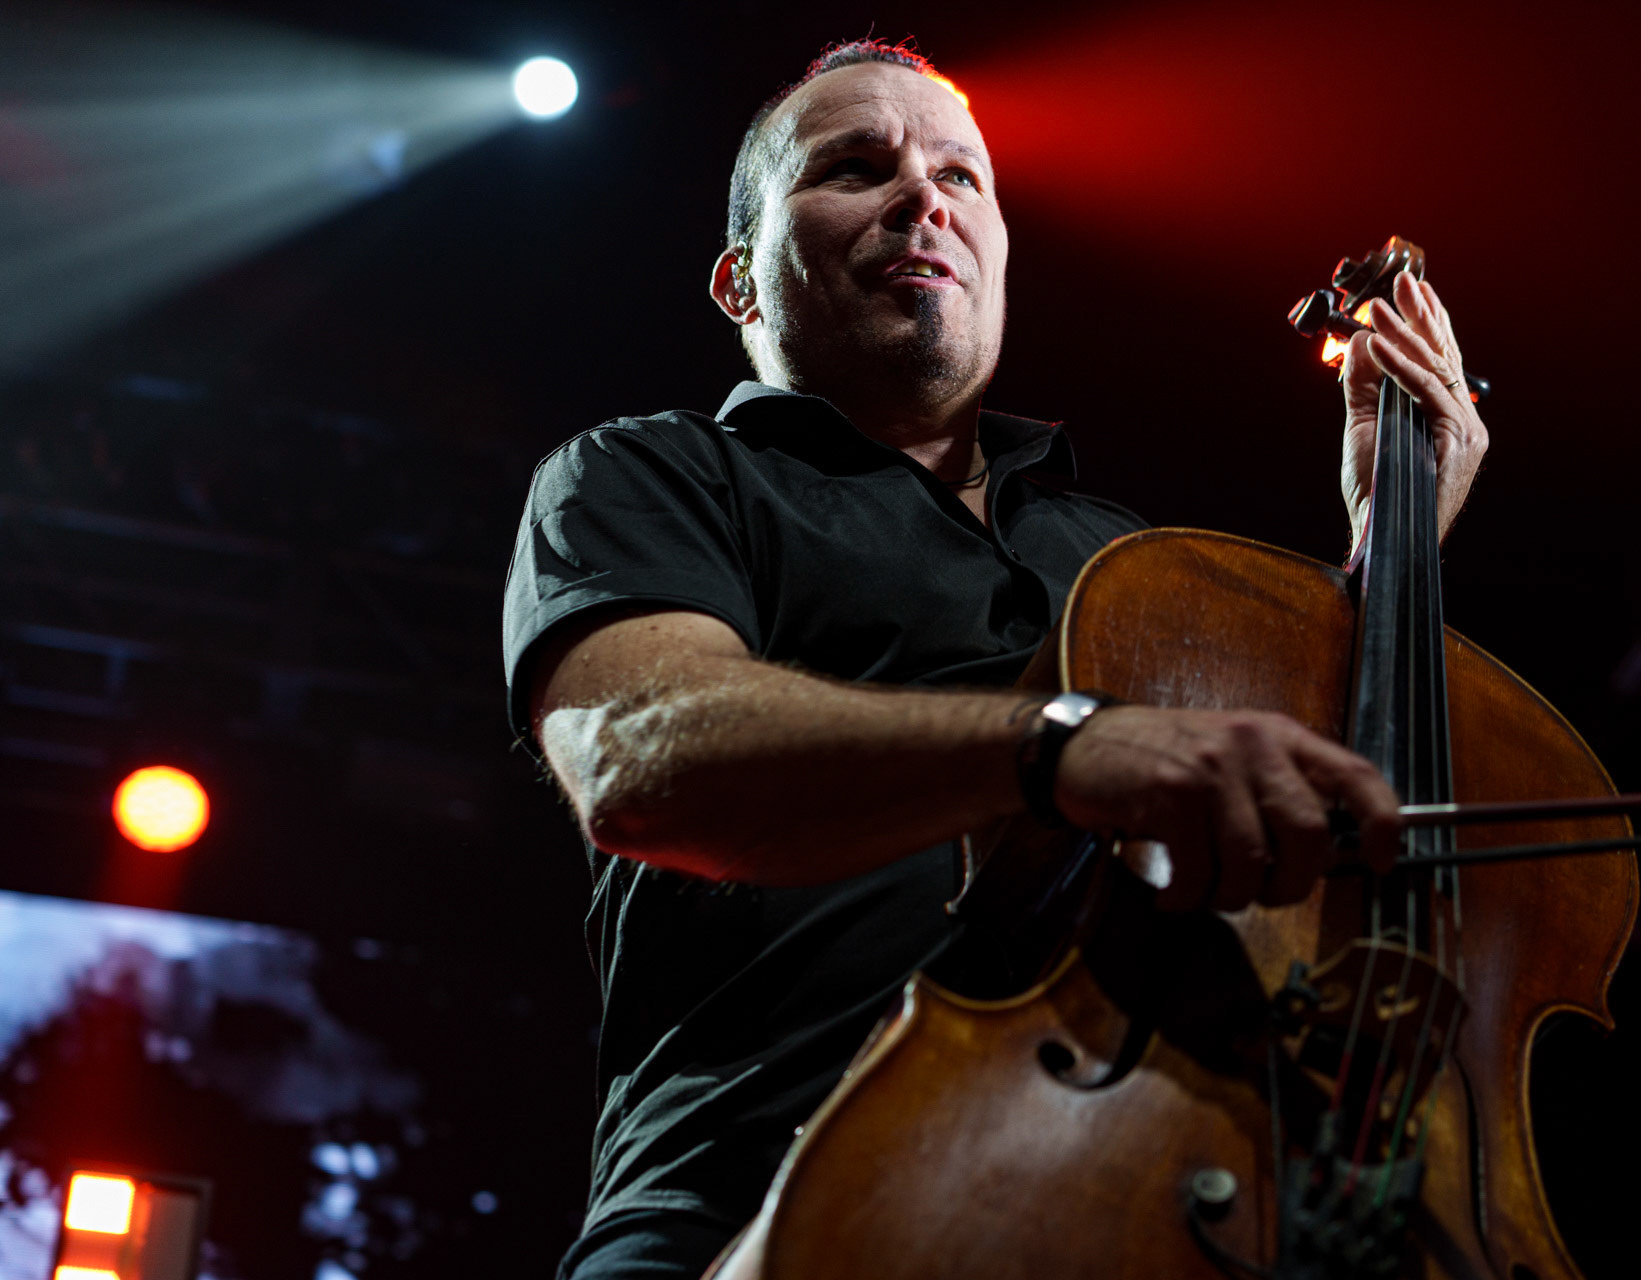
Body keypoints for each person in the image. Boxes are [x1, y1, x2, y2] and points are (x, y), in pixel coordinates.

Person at [502, 38, 1489, 1280]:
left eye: (962, 176)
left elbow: (1305, 853)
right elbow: (636, 753)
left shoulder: (1133, 558)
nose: (925, 198)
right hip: (756, 1187)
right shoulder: (654, 473)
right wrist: (1067, 748)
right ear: (740, 282)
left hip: (1137, 1185)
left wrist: (1394, 536)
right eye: (857, 168)